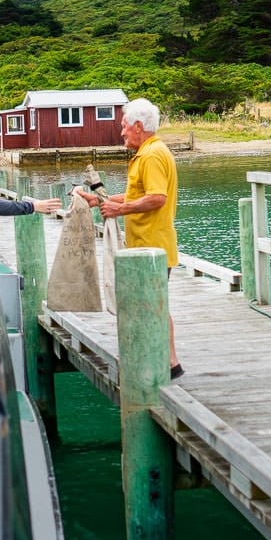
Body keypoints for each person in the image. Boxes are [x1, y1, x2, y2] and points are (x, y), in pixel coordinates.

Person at [73, 98, 183, 380]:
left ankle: (165, 364)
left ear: (137, 126)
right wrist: (100, 201)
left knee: (150, 304)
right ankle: (168, 363)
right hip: (146, 245)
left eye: (123, 127)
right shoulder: (150, 152)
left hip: (152, 247)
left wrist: (121, 209)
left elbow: (158, 198)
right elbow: (139, 196)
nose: (121, 133)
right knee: (151, 303)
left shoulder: (151, 155)